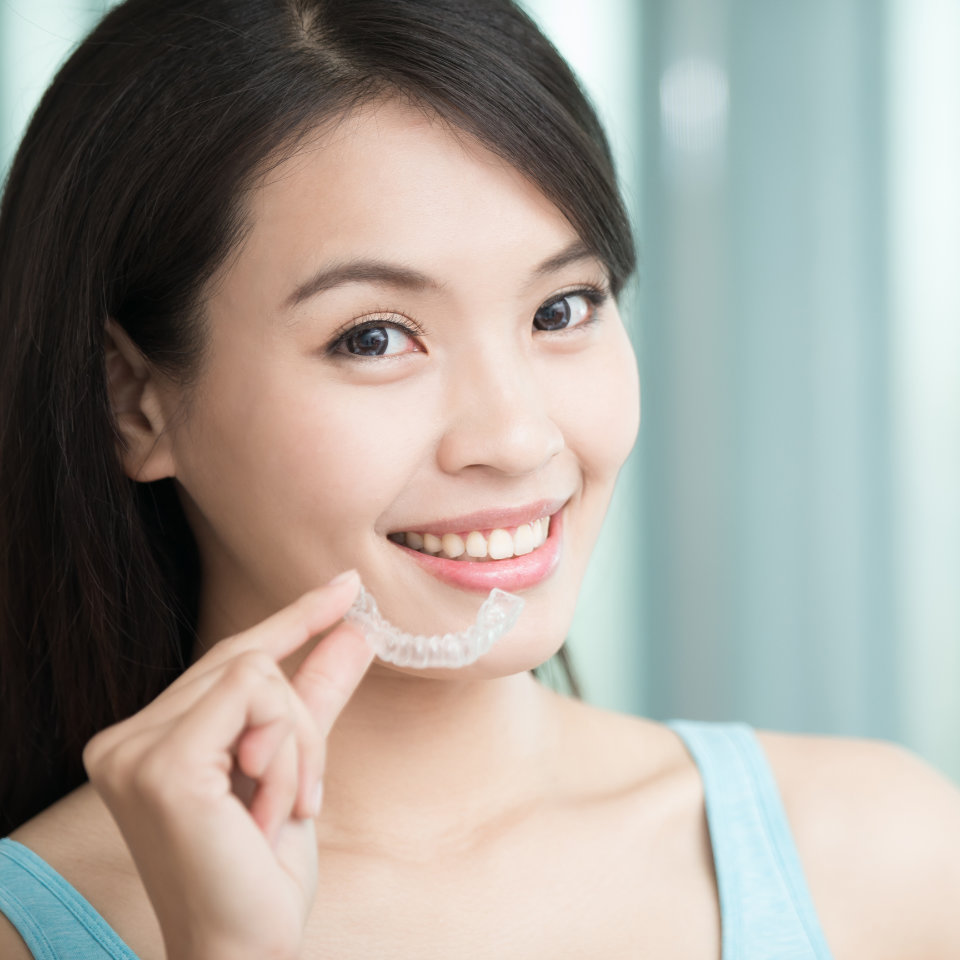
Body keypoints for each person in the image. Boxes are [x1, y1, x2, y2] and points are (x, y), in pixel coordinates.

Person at [0, 1, 958, 957]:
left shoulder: (888, 860)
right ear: (134, 403)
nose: (514, 435)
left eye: (562, 309)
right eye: (374, 338)